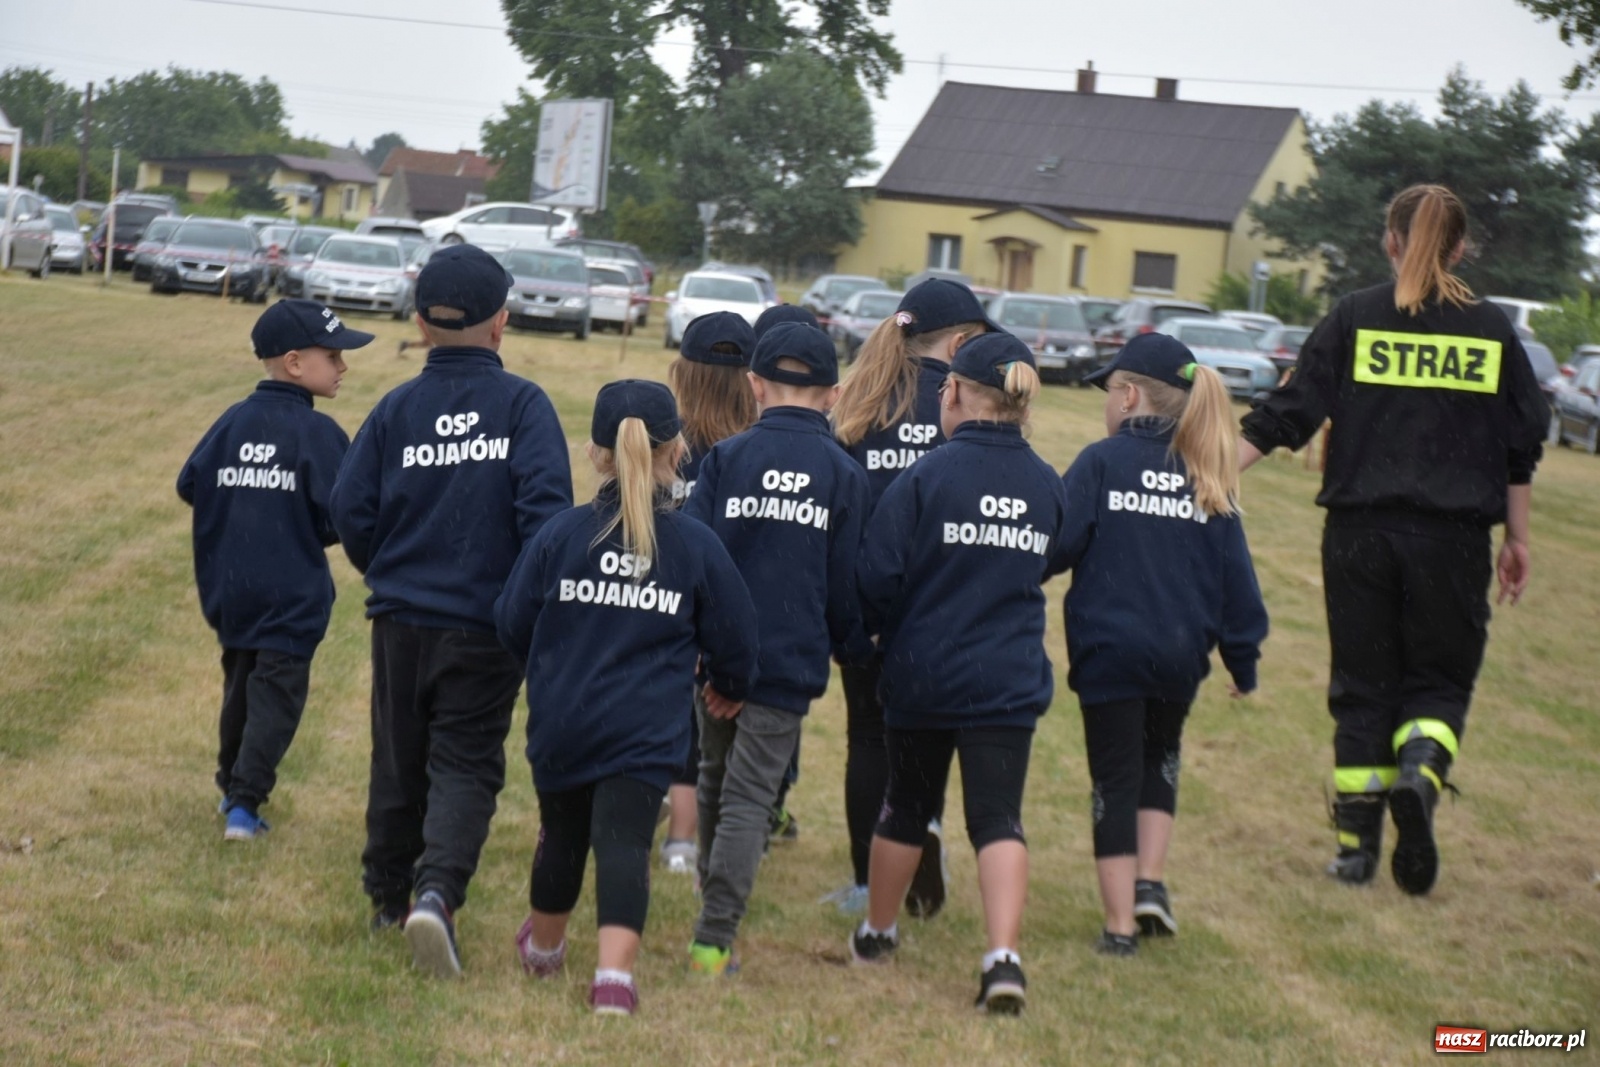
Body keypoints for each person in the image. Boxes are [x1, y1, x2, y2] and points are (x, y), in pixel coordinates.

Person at [1238, 183, 1546, 896]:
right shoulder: (1495, 331)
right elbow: (1521, 450)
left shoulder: (1354, 317)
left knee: (1362, 685)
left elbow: (1287, 414)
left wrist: (1211, 477)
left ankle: (1354, 850)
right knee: (1437, 681)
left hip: (1358, 537)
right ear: (1462, 247)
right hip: (1455, 541)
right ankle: (1421, 775)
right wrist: (1518, 539)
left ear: (1390, 240)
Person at [329, 244, 574, 977]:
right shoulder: (523, 405)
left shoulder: (396, 407)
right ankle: (435, 893)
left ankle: (386, 892)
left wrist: (391, 567)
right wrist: (525, 601)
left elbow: (350, 507)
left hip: (402, 618)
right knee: (466, 760)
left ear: (420, 324)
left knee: (398, 753)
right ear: (502, 323)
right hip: (487, 622)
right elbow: (547, 515)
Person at [495, 380, 759, 1017]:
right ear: (677, 451)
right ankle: (613, 979)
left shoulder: (560, 536)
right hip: (644, 734)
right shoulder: (696, 546)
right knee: (622, 843)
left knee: (560, 835)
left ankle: (546, 948)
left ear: (596, 453)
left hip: (563, 721)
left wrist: (549, 661)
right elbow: (738, 637)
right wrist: (730, 685)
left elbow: (510, 619)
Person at [851, 332, 1066, 1015]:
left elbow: (878, 572)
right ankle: (1003, 956)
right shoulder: (1045, 481)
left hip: (923, 672)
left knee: (907, 807)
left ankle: (877, 932)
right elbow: (1050, 555)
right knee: (998, 816)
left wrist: (881, 625)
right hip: (1006, 677)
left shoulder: (926, 476)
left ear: (951, 393)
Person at [1050, 333, 1268, 957]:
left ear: (1128, 395)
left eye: (1108, 392)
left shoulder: (1100, 462)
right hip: (1179, 655)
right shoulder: (1206, 472)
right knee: (1160, 761)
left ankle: (1120, 927)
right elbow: (1237, 581)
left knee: (1114, 780)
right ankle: (1149, 884)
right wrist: (1243, 659)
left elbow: (1056, 545)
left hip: (1109, 653)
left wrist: (1003, 573)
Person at [681, 321, 874, 977]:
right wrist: (852, 647)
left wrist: (699, 646)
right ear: (835, 393)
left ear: (755, 385)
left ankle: (714, 903)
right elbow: (846, 583)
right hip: (786, 665)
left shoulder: (726, 461)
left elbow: (694, 560)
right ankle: (714, 936)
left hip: (716, 660)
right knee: (748, 798)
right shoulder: (845, 476)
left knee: (714, 780)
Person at [825, 279, 1000, 917]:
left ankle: (870, 886)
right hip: (949, 611)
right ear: (958, 344)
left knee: (868, 739)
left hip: (868, 608)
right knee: (929, 742)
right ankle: (921, 861)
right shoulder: (969, 410)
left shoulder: (860, 402)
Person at [177, 299, 371, 841]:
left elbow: (190, 484)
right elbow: (346, 513)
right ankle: (244, 805)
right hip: (291, 594)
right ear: (293, 363)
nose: (343, 366)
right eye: (333, 355)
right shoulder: (319, 433)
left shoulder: (232, 421)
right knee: (276, 698)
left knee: (240, 685)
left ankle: (229, 785)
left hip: (229, 587)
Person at [659, 311, 759, 875]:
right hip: (746, 612)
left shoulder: (667, 442)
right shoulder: (759, 448)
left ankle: (678, 836)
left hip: (671, 607)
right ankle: (738, 830)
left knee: (679, 722)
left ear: (683, 373)